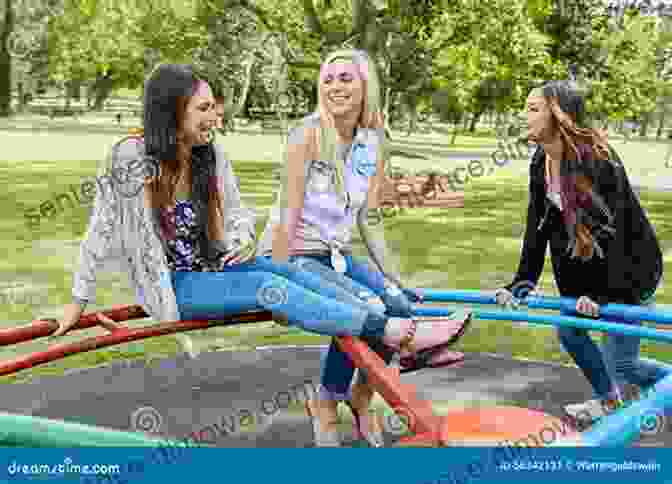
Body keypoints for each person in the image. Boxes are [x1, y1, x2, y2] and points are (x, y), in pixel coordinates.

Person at [53, 64, 466, 443]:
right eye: (204, 107)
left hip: (215, 268)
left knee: (285, 270)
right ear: (172, 112)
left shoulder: (208, 154)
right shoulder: (132, 158)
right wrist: (78, 300)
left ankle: (387, 328)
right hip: (174, 285)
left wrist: (239, 242)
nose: (216, 116)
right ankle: (399, 332)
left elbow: (238, 217)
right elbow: (101, 228)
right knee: (267, 283)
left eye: (215, 106)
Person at [256, 49, 472, 446]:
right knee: (366, 311)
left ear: (365, 86)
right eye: (329, 78)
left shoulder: (371, 141)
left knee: (399, 305)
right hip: (292, 254)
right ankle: (325, 401)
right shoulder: (308, 133)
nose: (335, 85)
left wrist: (393, 276)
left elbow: (369, 217)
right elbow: (288, 211)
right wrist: (278, 289)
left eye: (346, 78)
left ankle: (361, 396)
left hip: (333, 254)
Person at [495, 80, 665, 427]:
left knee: (623, 365)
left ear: (558, 114)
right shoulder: (541, 161)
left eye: (533, 108)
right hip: (588, 273)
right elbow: (537, 229)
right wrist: (522, 282)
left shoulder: (598, 159)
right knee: (570, 330)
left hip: (630, 272)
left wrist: (602, 296)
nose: (523, 115)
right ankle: (610, 401)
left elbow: (615, 235)